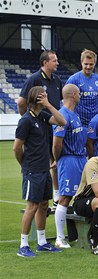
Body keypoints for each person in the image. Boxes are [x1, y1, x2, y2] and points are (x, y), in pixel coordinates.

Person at [14, 86, 66, 257]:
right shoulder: (26, 120)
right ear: (37, 99)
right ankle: (23, 246)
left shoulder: (42, 116)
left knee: (43, 205)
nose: (47, 98)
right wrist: (25, 164)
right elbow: (17, 147)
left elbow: (62, 121)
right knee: (32, 206)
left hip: (44, 169)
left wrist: (49, 105)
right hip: (33, 170)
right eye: (43, 96)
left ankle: (42, 242)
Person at [17, 50, 62, 209]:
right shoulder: (34, 79)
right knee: (47, 158)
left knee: (56, 160)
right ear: (45, 63)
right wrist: (29, 118)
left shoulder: (57, 80)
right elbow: (21, 102)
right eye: (54, 60)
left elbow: (59, 103)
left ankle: (57, 195)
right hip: (41, 124)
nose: (57, 63)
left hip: (54, 124)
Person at [52, 84, 87, 249]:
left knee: (82, 195)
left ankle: (83, 234)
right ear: (73, 95)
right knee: (65, 197)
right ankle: (60, 238)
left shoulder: (74, 114)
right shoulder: (62, 115)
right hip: (69, 159)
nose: (80, 95)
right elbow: (56, 143)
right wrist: (58, 159)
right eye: (79, 93)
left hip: (80, 159)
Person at [65, 49, 98, 127]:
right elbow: (66, 101)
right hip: (79, 122)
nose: (88, 67)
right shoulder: (73, 79)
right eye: (86, 64)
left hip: (94, 122)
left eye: (91, 64)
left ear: (95, 63)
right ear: (81, 62)